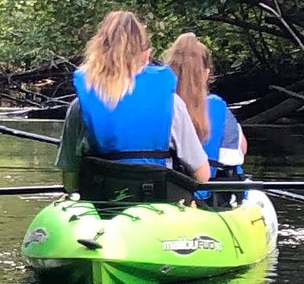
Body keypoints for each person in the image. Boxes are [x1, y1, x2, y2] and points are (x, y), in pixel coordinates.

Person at [55, 11, 210, 199]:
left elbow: (70, 183)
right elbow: (202, 175)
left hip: (102, 208)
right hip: (158, 208)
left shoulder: (79, 107)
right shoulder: (172, 103)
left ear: (97, 51)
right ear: (146, 55)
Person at [164, 33, 247, 203]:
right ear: (206, 73)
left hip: (171, 194)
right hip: (209, 196)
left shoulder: (161, 105)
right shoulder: (218, 108)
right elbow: (240, 150)